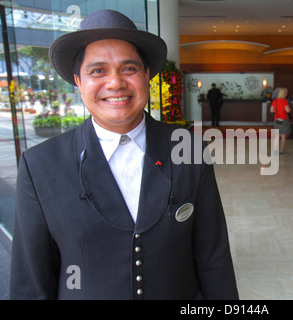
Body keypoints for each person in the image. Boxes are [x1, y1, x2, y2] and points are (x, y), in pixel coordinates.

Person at [10, 9, 238, 300]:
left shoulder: (190, 149)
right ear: (78, 81)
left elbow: (213, 257)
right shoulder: (40, 165)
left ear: (146, 75)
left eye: (129, 69)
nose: (115, 83)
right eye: (97, 71)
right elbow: (31, 282)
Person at [270, 87, 291, 154]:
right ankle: (282, 149)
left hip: (276, 120)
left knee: (277, 135)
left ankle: (275, 150)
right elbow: (288, 110)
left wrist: (277, 110)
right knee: (283, 136)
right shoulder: (285, 101)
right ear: (283, 93)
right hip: (284, 120)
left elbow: (271, 110)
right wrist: (289, 109)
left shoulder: (275, 101)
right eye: (286, 93)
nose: (286, 94)